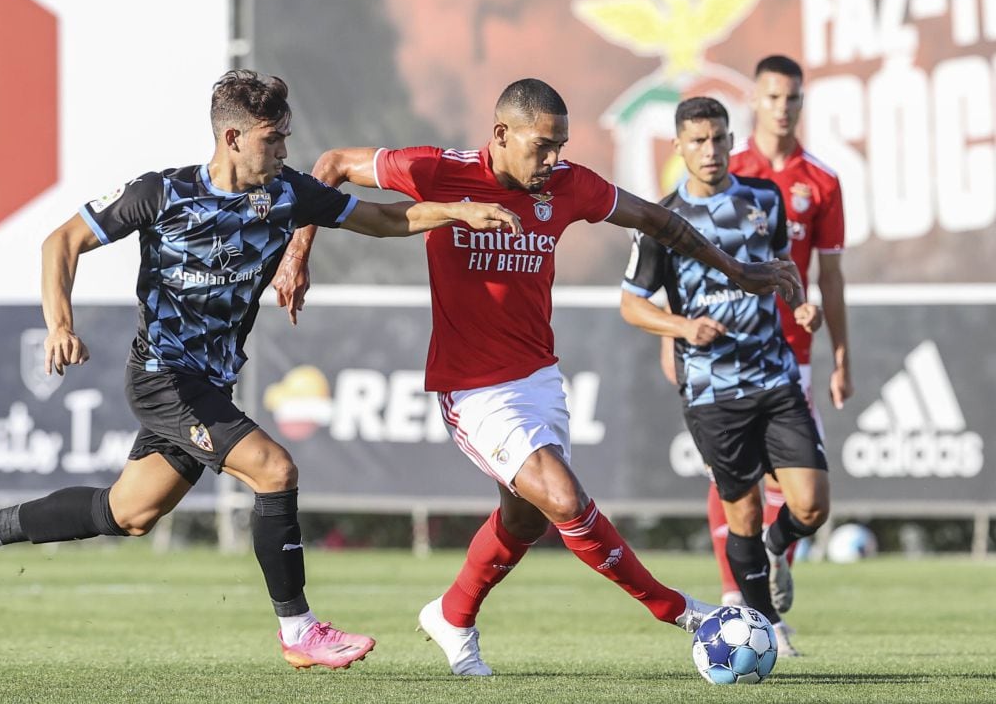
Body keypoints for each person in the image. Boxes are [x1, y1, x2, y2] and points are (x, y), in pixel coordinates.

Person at [0, 69, 523, 671]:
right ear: (232, 137)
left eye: (287, 136)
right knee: (274, 469)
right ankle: (299, 631)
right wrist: (59, 324)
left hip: (208, 383)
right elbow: (62, 242)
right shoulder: (161, 193)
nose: (286, 151)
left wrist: (457, 210)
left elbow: (385, 220)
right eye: (273, 139)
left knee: (128, 513)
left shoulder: (288, 193)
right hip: (163, 377)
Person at [279, 78, 801, 676]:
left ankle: (452, 615)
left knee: (525, 517)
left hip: (538, 379)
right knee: (563, 498)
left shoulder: (568, 184)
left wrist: (738, 271)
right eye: (543, 146)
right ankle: (683, 614)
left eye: (562, 146)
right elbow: (332, 164)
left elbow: (661, 222)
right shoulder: (436, 171)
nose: (554, 160)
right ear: (501, 135)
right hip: (472, 387)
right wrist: (299, 253)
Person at [620, 95, 831, 657]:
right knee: (740, 513)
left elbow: (785, 271)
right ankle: (765, 628)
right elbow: (632, 304)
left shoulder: (765, 199)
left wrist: (801, 304)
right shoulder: (659, 220)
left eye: (718, 139)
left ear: (732, 141)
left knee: (811, 504)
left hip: (775, 375)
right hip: (713, 390)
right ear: (678, 147)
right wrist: (682, 328)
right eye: (697, 141)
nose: (709, 150)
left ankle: (777, 542)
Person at [696, 54, 851, 611]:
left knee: (805, 498)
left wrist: (841, 356)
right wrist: (674, 338)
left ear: (802, 102)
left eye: (793, 98)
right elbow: (684, 258)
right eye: (773, 97)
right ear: (754, 101)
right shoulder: (723, 172)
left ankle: (775, 546)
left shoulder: (821, 182)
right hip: (726, 350)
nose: (783, 108)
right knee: (732, 481)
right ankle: (742, 603)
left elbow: (829, 276)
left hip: (792, 354)